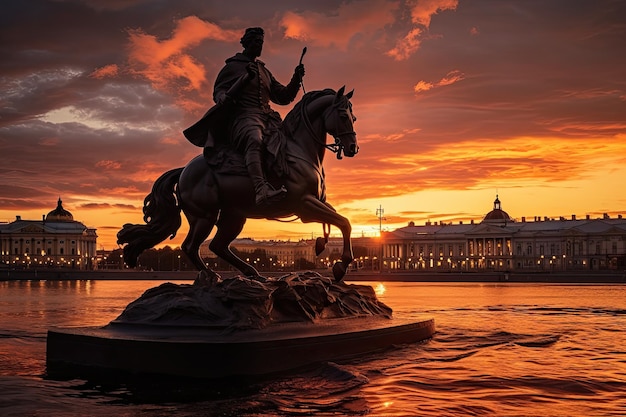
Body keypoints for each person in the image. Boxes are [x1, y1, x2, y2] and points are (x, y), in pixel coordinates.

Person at [212, 27, 305, 206]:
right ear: (246, 43)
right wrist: (226, 94)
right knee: (255, 139)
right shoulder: (232, 67)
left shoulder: (264, 71)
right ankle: (261, 189)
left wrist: (296, 79)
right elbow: (219, 92)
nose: (259, 46)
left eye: (261, 43)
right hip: (243, 118)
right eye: (256, 42)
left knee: (290, 140)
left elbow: (283, 97)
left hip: (268, 118)